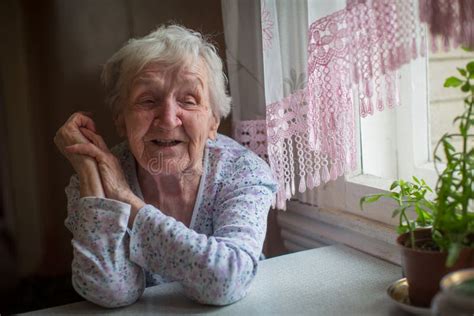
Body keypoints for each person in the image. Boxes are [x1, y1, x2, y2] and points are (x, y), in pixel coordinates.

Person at [53, 25, 277, 308]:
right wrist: (87, 168)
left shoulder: (244, 172)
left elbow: (227, 280)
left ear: (213, 122)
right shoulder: (95, 178)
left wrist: (125, 199)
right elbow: (109, 291)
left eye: (189, 100)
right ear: (121, 119)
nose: (169, 119)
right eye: (148, 100)